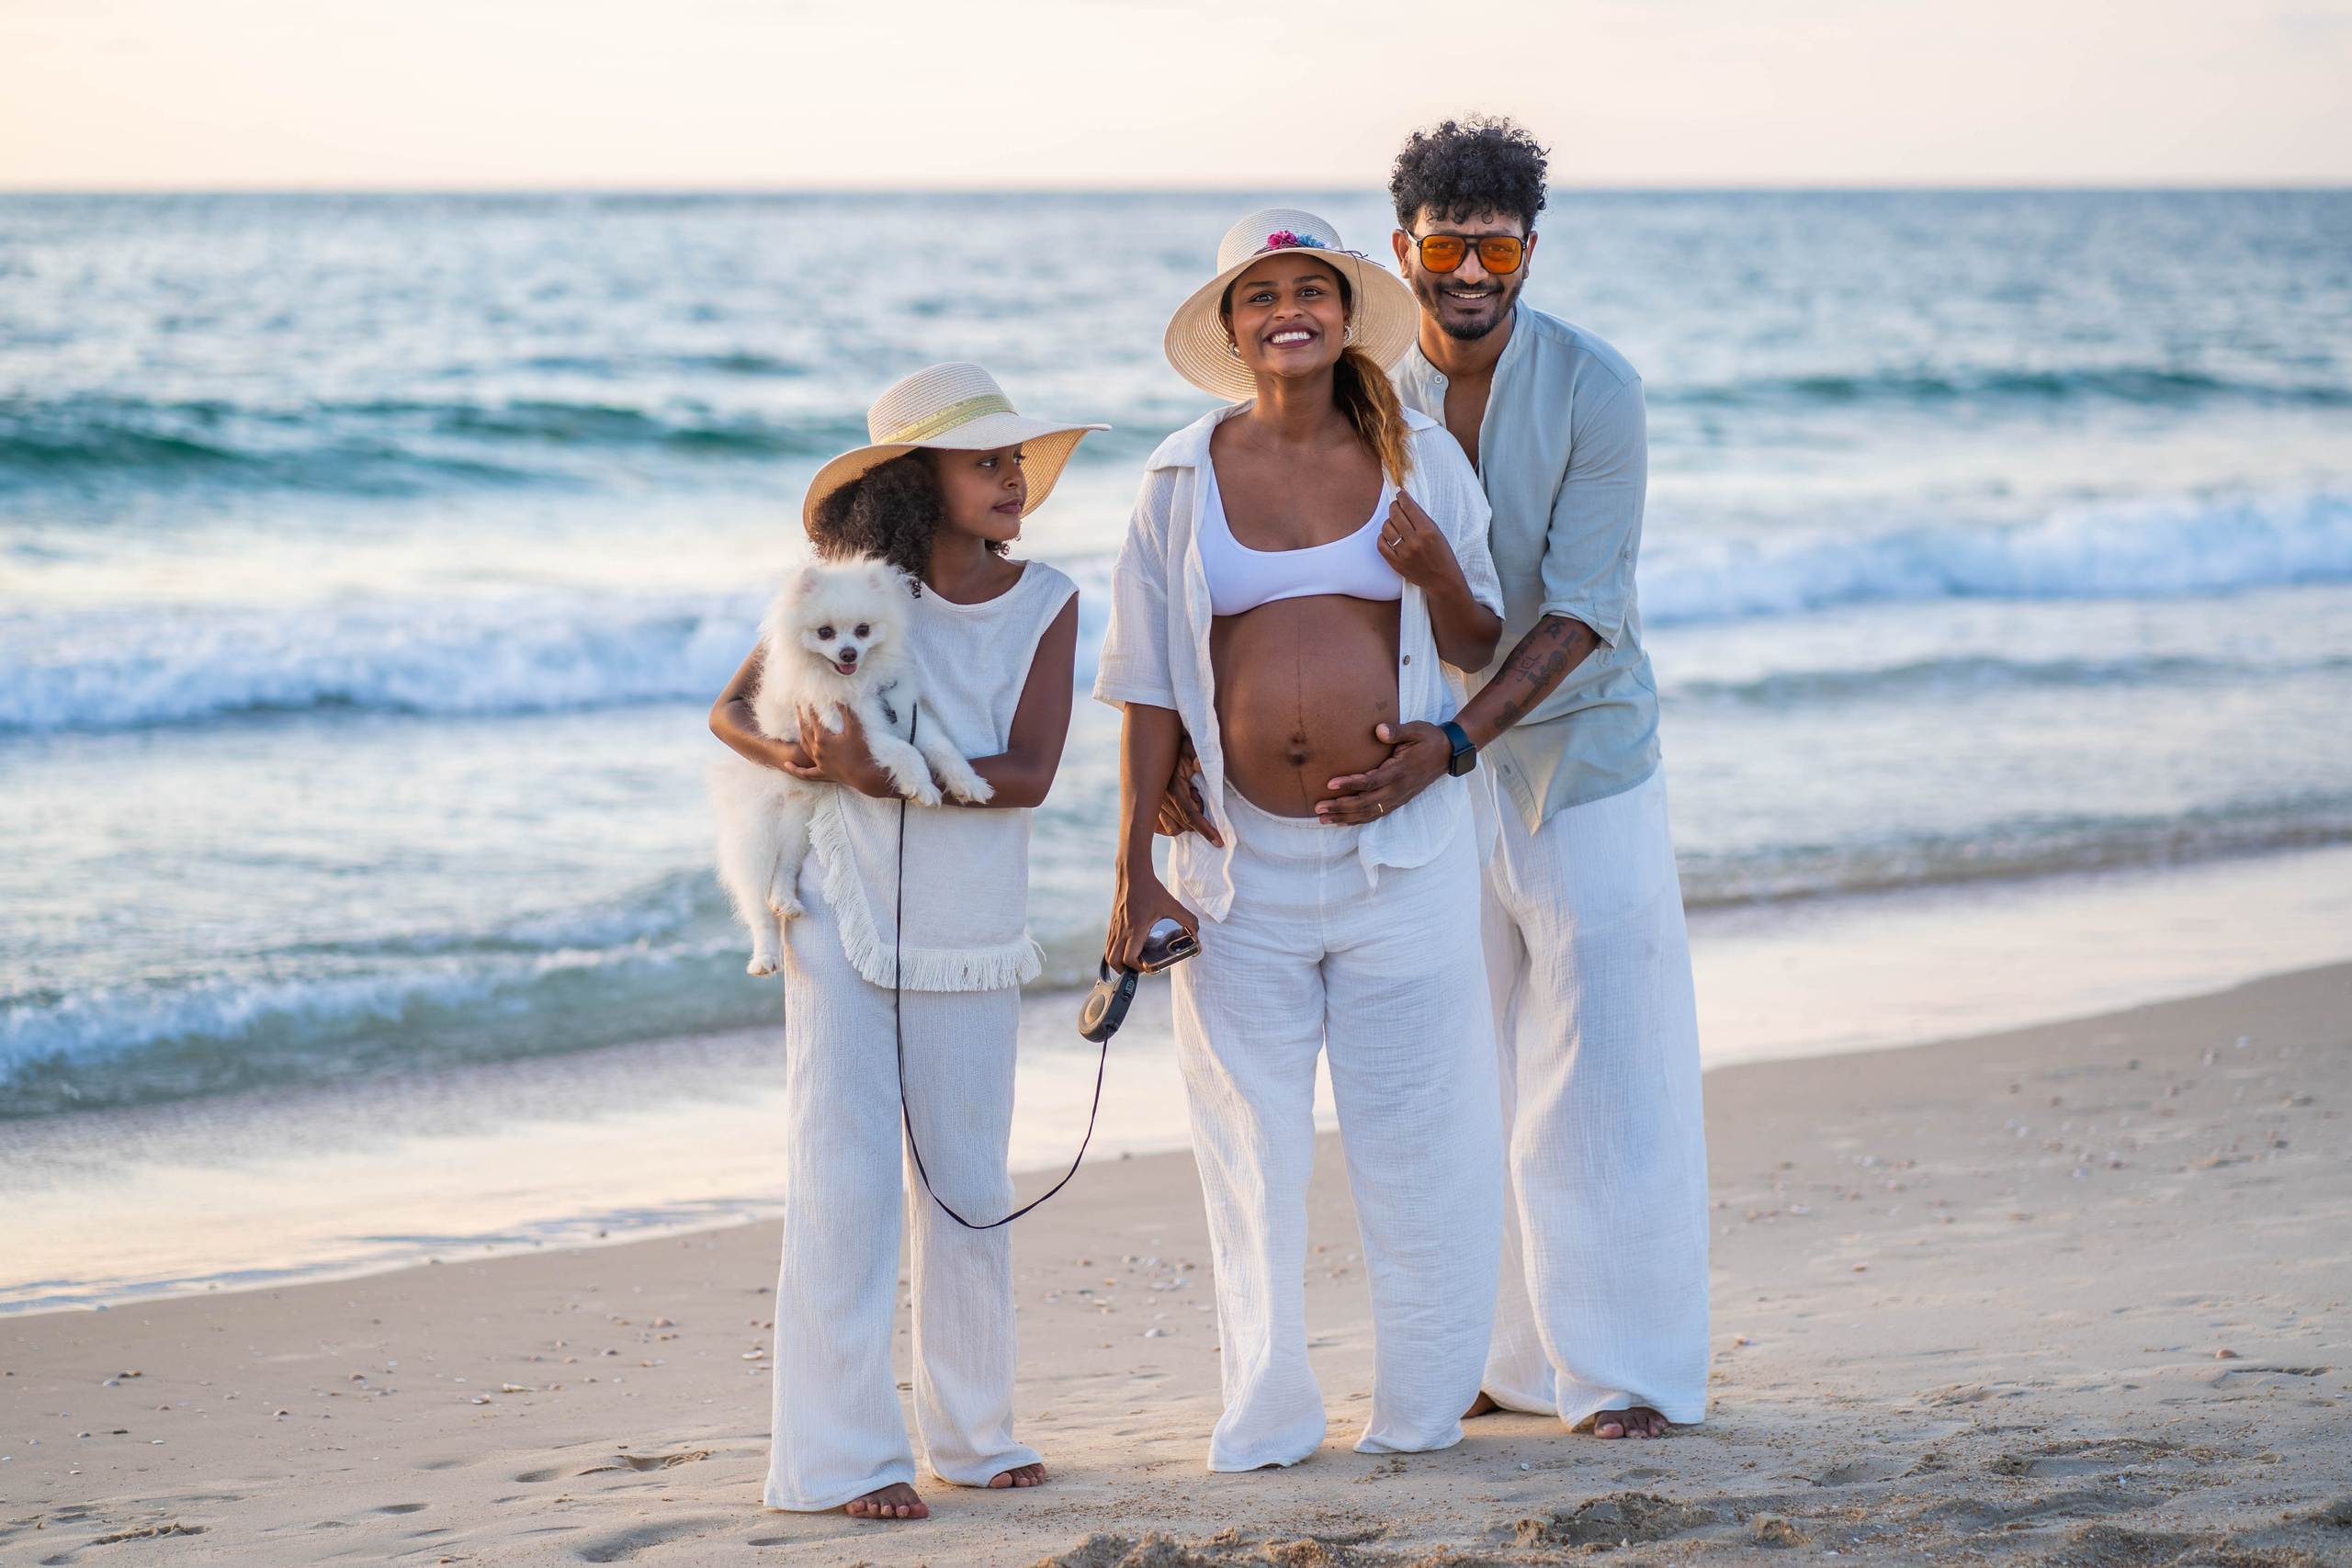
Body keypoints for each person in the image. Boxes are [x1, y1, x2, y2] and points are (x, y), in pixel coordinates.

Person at [1095, 209, 1509, 1472]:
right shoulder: (1177, 475)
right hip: (1237, 869)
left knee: (1422, 1136)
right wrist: (1130, 877)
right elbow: (1147, 679)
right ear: (1231, 326)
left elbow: (1480, 643)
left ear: (1345, 312)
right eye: (1262, 292)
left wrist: (1436, 568)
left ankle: (1422, 1409)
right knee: (1250, 1149)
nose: (1289, 308)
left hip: (1405, 858)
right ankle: (1268, 1415)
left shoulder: (1420, 455)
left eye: (1312, 288)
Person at [709, 363, 1104, 1519]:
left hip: (975, 932)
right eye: (984, 460)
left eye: (1015, 459)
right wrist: (795, 759)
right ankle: (842, 1460)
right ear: (910, 482)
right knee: (843, 1181)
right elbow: (732, 709)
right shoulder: (847, 599)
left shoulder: (1049, 600)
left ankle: (974, 1438)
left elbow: (1027, 775)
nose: (1012, 478)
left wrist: (877, 770)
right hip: (840, 912)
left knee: (969, 1185)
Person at [1366, 117, 1709, 1439]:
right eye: (1444, 243)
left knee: (1606, 1068)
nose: (1468, 270)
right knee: (1467, 1073)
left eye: (1494, 244)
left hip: (1585, 762)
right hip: (1429, 773)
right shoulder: (1367, 387)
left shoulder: (1598, 388)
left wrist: (1456, 740)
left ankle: (1625, 1370)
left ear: (1528, 251)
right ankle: (1501, 1355)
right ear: (1403, 249)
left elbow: (1576, 614)